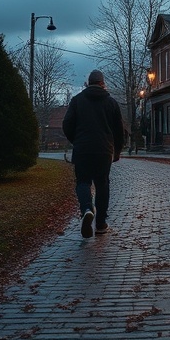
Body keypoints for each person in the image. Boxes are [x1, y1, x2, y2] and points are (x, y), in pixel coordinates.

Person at [62, 69, 125, 238]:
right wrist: (117, 151)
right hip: (104, 151)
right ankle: (101, 224)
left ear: (88, 83)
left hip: (82, 149)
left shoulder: (76, 101)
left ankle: (87, 210)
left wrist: (76, 141)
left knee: (82, 182)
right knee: (102, 184)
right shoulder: (111, 103)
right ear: (103, 83)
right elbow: (119, 131)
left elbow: (66, 124)